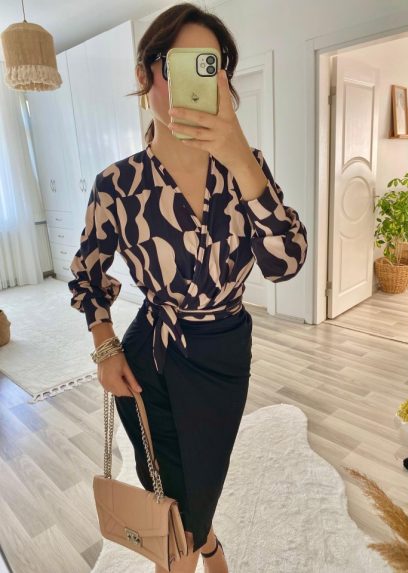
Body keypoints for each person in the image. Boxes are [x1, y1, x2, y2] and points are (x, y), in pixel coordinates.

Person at [67, 3, 308, 572]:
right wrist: (104, 346)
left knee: (204, 478)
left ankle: (207, 542)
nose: (191, 82)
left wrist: (241, 156)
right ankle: (192, 551)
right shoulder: (117, 184)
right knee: (169, 492)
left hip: (224, 352)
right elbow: (88, 273)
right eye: (174, 65)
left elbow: (285, 263)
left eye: (208, 65)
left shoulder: (246, 168)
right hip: (150, 354)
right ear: (145, 75)